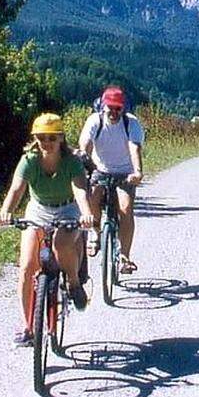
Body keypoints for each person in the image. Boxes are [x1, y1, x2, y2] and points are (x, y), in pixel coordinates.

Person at [0, 113, 95, 346]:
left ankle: (73, 281)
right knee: (27, 265)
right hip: (38, 210)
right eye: (42, 137)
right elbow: (16, 190)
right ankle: (27, 326)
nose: (47, 142)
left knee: (62, 244)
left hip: (68, 209)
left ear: (61, 138)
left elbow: (80, 190)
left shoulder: (71, 161)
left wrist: (87, 214)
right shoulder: (29, 160)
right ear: (35, 139)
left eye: (52, 137)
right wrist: (5, 211)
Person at [78, 85, 145, 274]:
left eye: (118, 109)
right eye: (110, 108)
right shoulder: (95, 121)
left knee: (125, 209)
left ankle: (124, 256)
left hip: (125, 173)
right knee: (92, 201)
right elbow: (86, 144)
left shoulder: (131, 123)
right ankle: (95, 233)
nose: (114, 112)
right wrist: (83, 159)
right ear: (103, 106)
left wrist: (137, 172)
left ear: (124, 108)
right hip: (100, 170)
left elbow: (134, 147)